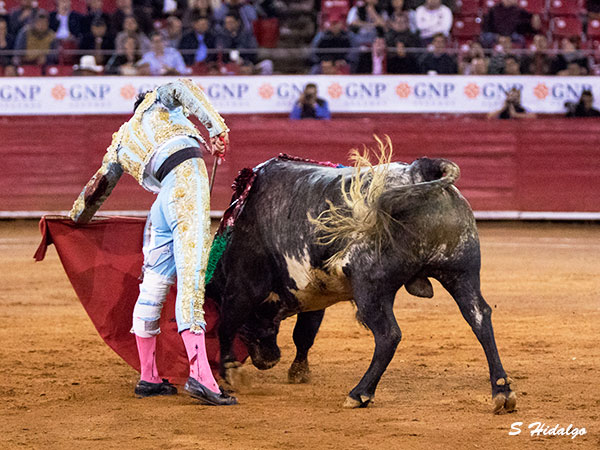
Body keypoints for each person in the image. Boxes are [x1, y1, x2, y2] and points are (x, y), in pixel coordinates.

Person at [69, 78, 237, 406]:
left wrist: (73, 220)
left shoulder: (120, 143)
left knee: (153, 286)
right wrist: (216, 128)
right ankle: (201, 377)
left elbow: (94, 193)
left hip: (162, 204)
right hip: (186, 182)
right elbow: (181, 87)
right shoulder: (157, 102)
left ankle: (148, 377)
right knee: (191, 278)